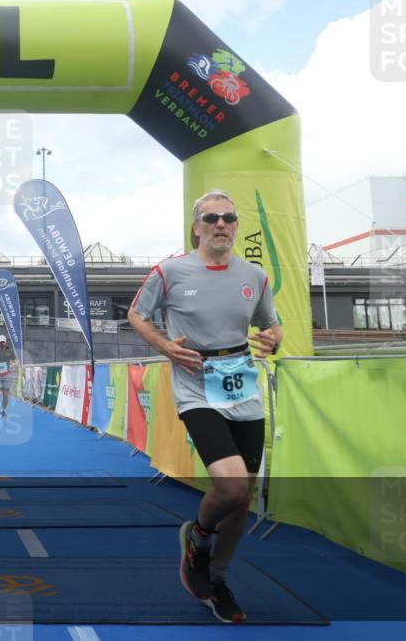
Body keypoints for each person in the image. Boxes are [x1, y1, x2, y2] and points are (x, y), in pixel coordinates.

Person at [128, 189, 282, 623]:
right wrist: (165, 347)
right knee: (230, 488)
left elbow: (271, 324)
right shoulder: (170, 271)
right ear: (196, 226)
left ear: (235, 226)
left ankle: (216, 579)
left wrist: (275, 338)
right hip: (196, 385)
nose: (220, 224)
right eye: (211, 217)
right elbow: (137, 316)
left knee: (243, 496)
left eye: (228, 218)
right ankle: (197, 537)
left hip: (243, 386)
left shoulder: (254, 274)